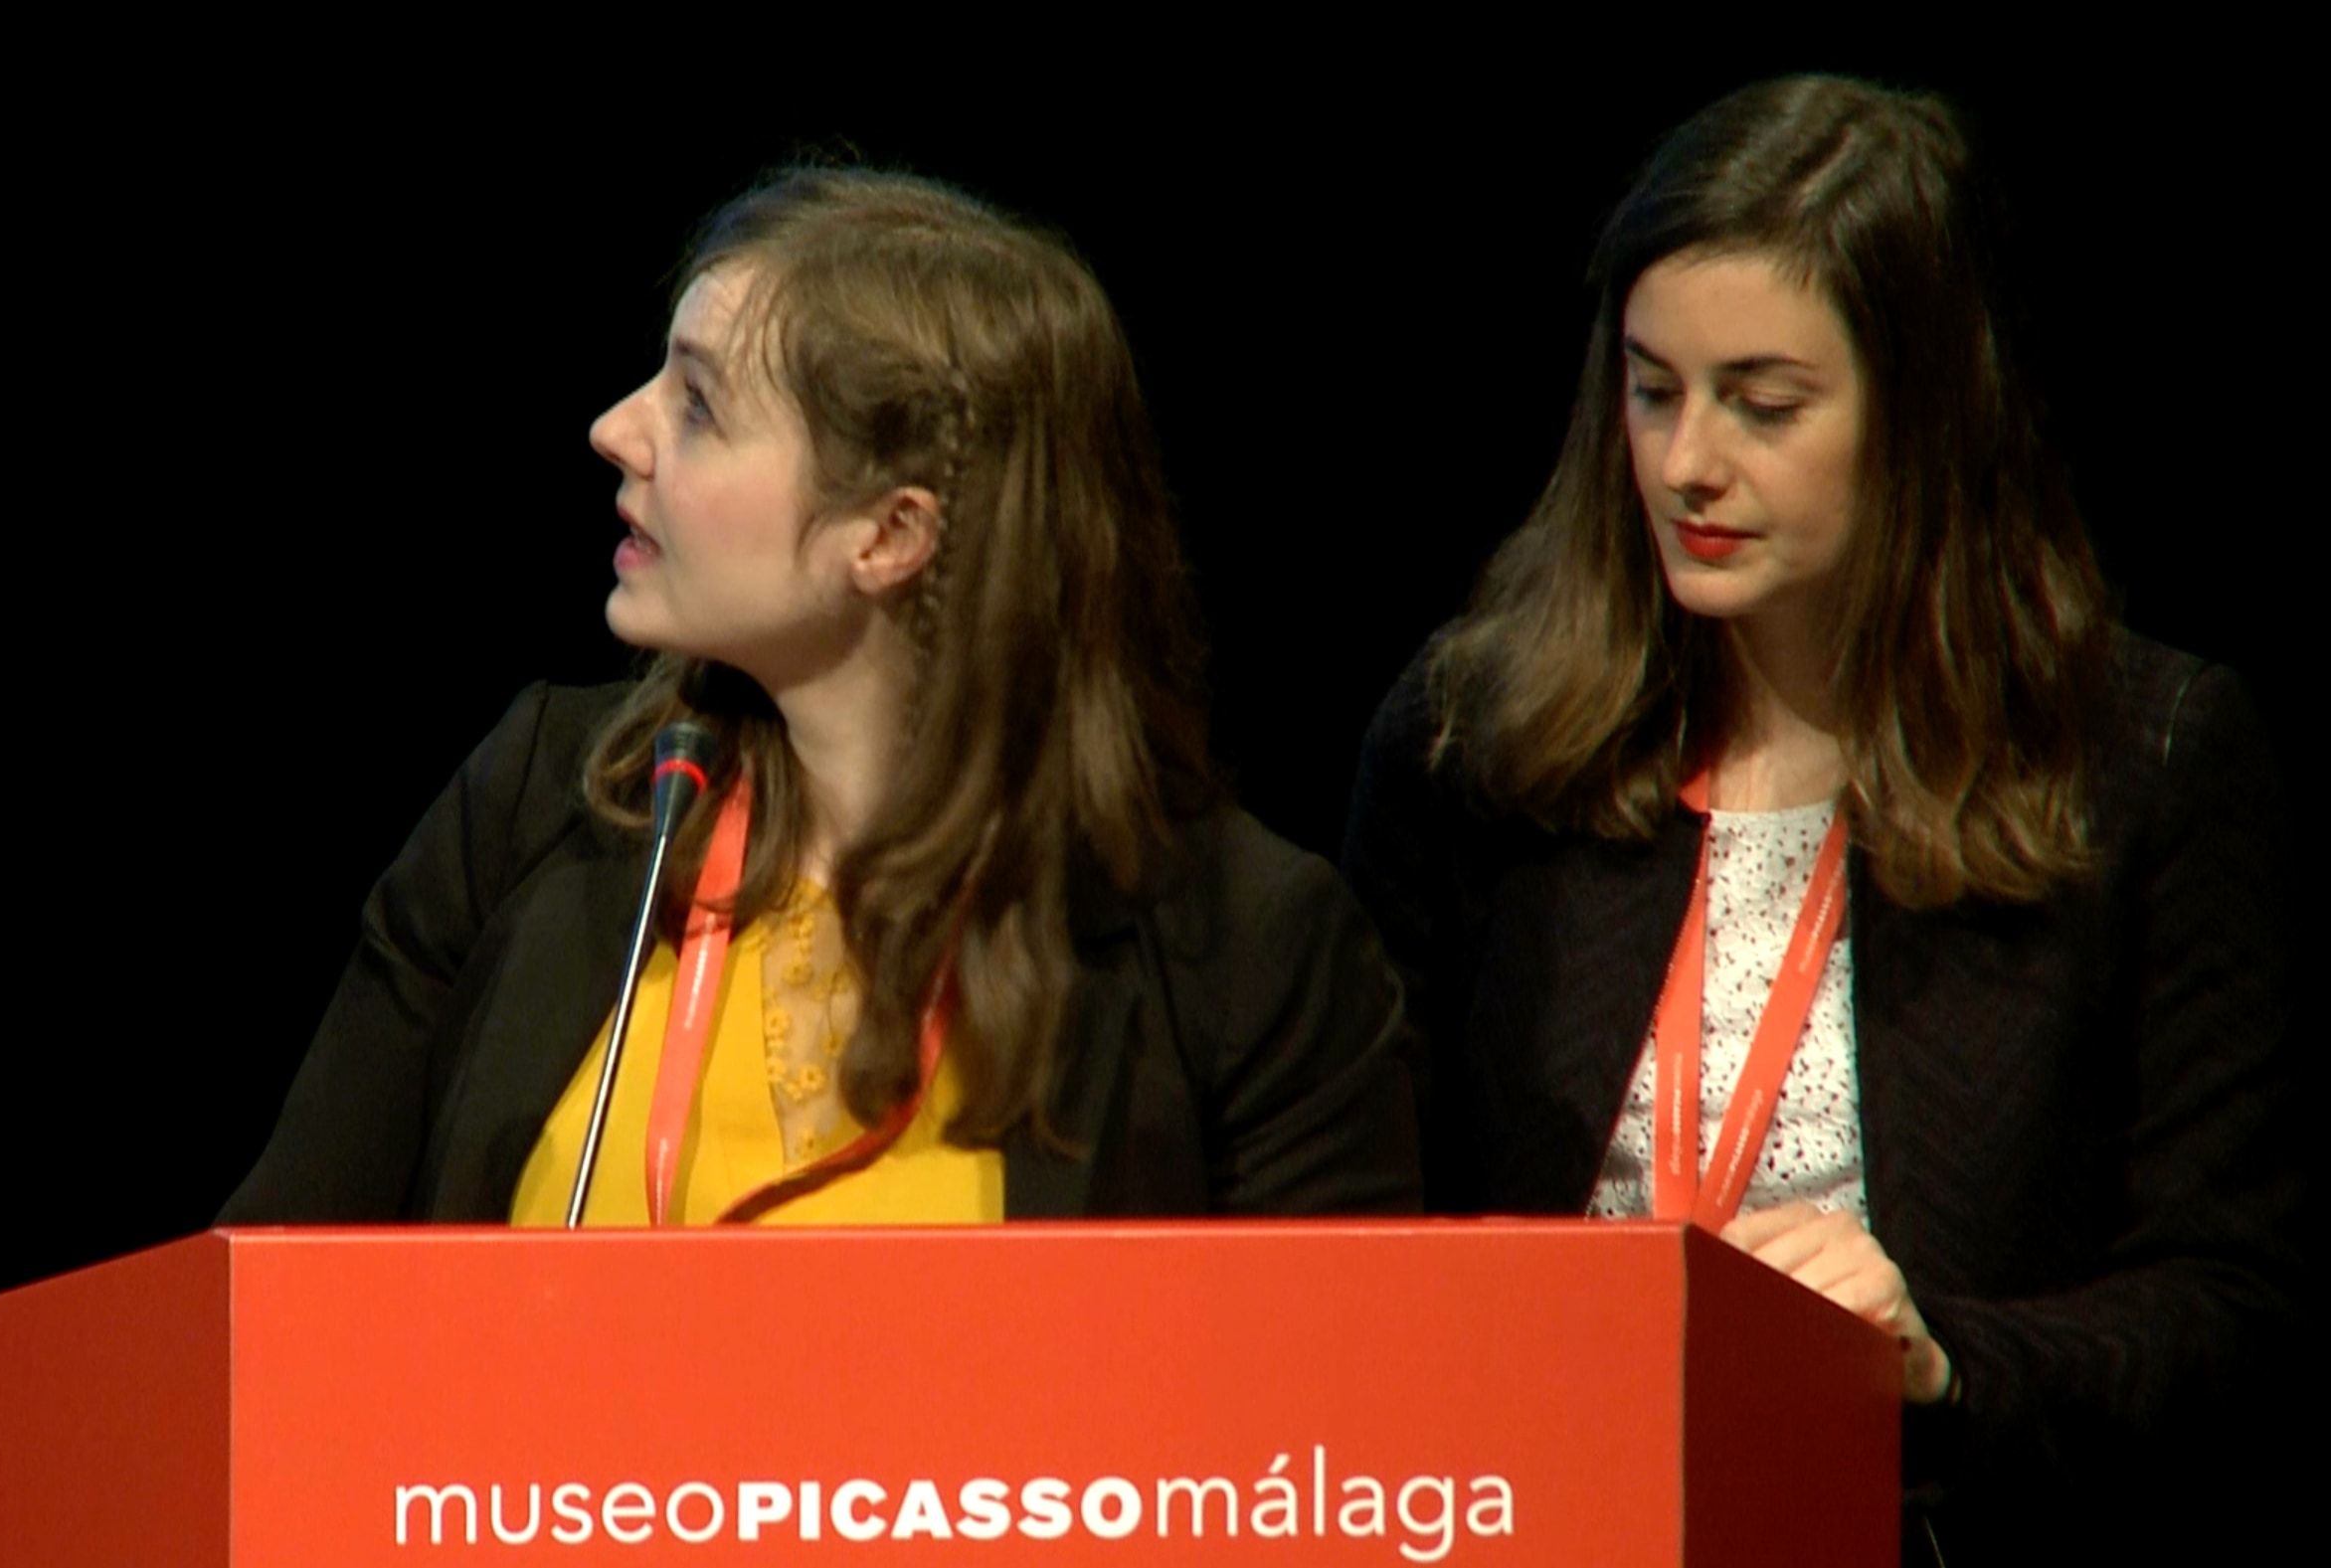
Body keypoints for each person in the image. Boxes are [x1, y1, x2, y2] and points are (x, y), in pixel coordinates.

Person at [1342, 78, 2296, 1557]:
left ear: (1923, 416)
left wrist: (1940, 1354)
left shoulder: (2143, 760)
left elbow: (2225, 1307)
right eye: (1653, 391)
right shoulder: (1480, 736)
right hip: (1535, 1515)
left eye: (1763, 404)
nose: (1687, 462)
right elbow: (1351, 1229)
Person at [224, 167, 1416, 1230]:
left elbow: (1326, 1403)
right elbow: (269, 1298)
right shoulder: (547, 802)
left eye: (698, 405)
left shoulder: (1244, 948)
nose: (615, 430)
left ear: (889, 535)